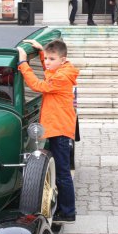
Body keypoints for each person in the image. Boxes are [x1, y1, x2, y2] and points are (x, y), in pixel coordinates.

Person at [16, 39, 80, 224]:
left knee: (62, 173)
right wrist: (42, 53)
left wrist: (23, 63)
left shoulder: (60, 77)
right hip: (57, 127)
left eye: (52, 59)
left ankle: (68, 212)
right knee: (61, 171)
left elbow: (38, 85)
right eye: (48, 59)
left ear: (63, 59)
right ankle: (64, 209)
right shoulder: (62, 70)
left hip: (59, 129)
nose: (48, 62)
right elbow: (49, 72)